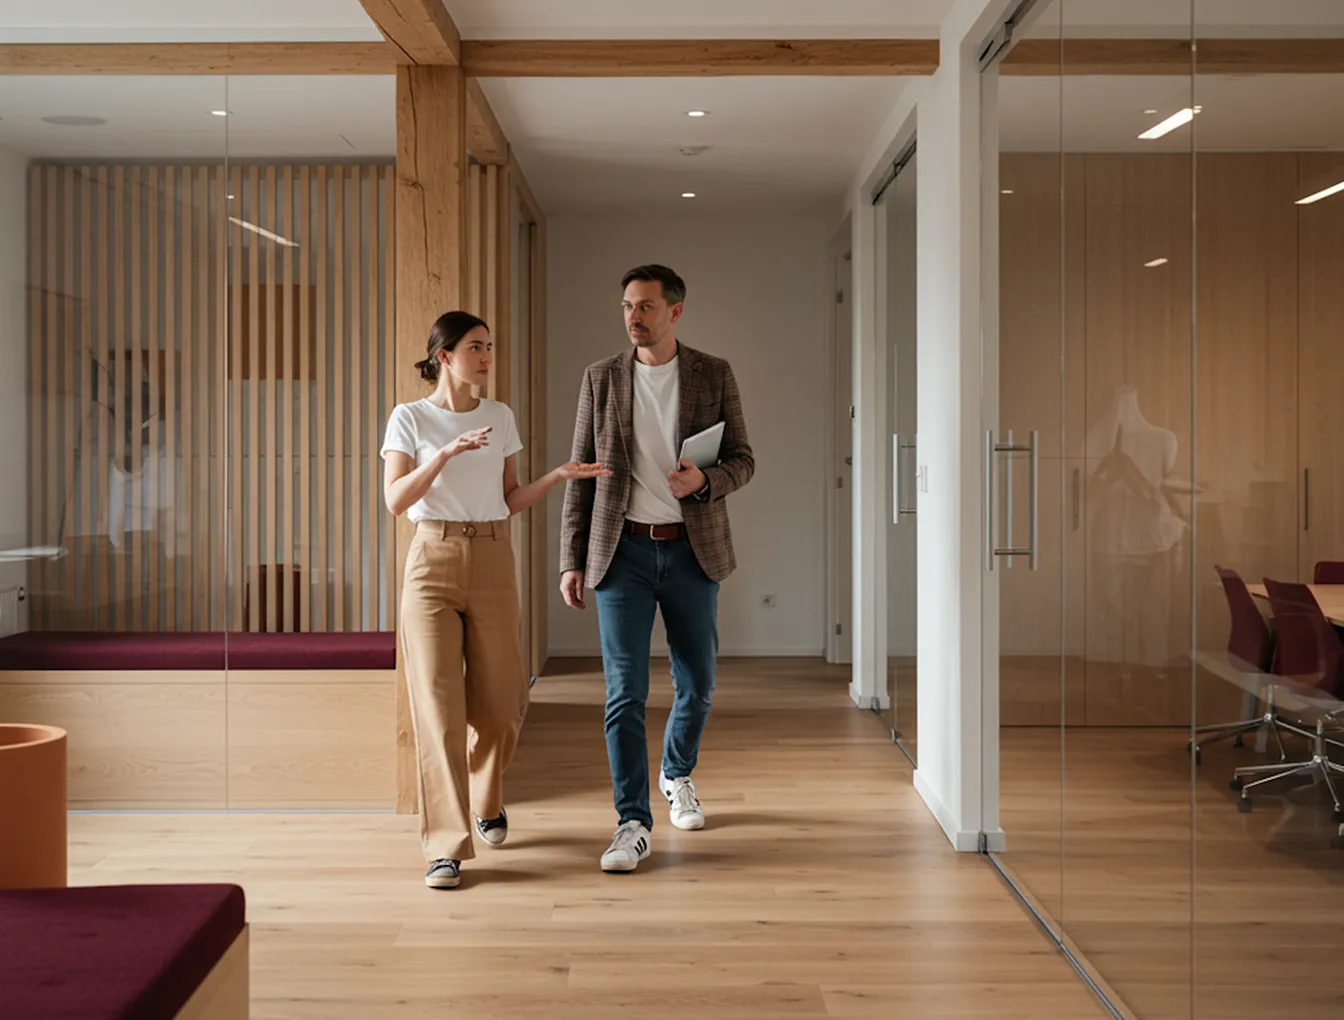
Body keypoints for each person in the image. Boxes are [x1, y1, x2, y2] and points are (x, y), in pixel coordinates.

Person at [382, 310, 609, 889]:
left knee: (504, 704)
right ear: (445, 357)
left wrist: (556, 477)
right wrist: (444, 455)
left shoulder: (500, 415)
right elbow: (394, 499)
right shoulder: (409, 418)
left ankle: (487, 800)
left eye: (490, 347)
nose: (487, 356)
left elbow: (508, 499)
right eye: (476, 347)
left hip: (492, 558)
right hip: (430, 561)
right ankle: (446, 847)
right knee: (438, 711)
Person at [559, 264, 755, 873]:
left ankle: (677, 774)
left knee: (697, 684)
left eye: (645, 306)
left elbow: (744, 460)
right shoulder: (601, 378)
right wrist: (571, 558)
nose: (633, 317)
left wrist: (705, 480)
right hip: (622, 553)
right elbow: (581, 471)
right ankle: (631, 822)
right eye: (626, 306)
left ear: (675, 311)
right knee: (624, 693)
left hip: (693, 551)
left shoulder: (712, 373)